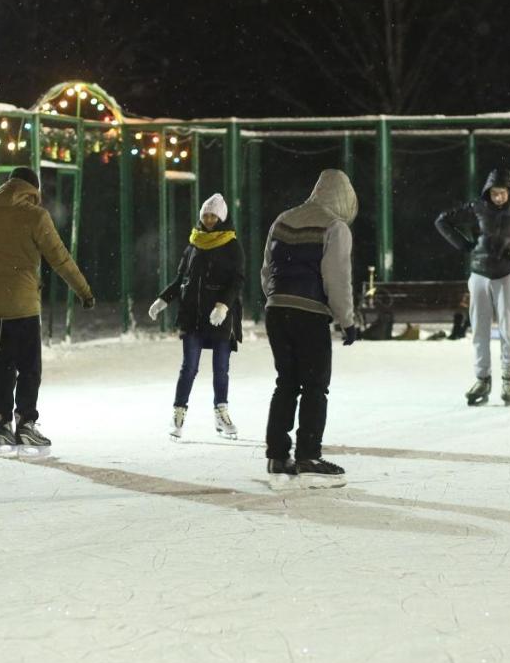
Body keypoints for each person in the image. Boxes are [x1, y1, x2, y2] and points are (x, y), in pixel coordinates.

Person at [0, 166, 95, 456]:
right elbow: (60, 258)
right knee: (30, 368)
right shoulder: (35, 216)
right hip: (22, 304)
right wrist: (84, 290)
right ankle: (27, 423)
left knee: (3, 366)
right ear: (32, 189)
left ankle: (2, 423)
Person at [261, 169, 359, 482]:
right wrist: (347, 320)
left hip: (276, 311)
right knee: (315, 387)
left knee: (286, 383)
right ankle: (308, 454)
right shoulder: (335, 226)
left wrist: (279, 298)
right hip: (310, 314)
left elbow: (267, 270)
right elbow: (337, 278)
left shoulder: (283, 219)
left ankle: (277, 455)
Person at [435, 169, 510, 406]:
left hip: (508, 274)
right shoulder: (477, 208)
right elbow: (442, 220)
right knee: (479, 329)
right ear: (487, 192)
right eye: (494, 193)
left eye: (502, 193)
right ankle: (482, 378)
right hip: (479, 273)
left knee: (508, 328)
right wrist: (463, 244)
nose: (498, 197)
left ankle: (509, 376)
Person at [148, 193, 245, 441]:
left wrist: (223, 306)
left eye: (214, 215)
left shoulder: (231, 244)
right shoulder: (194, 244)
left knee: (221, 369)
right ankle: (178, 414)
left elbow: (237, 280)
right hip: (192, 315)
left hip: (219, 317)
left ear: (222, 217)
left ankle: (221, 413)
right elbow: (182, 279)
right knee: (188, 367)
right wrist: (163, 300)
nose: (210, 219)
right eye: (206, 215)